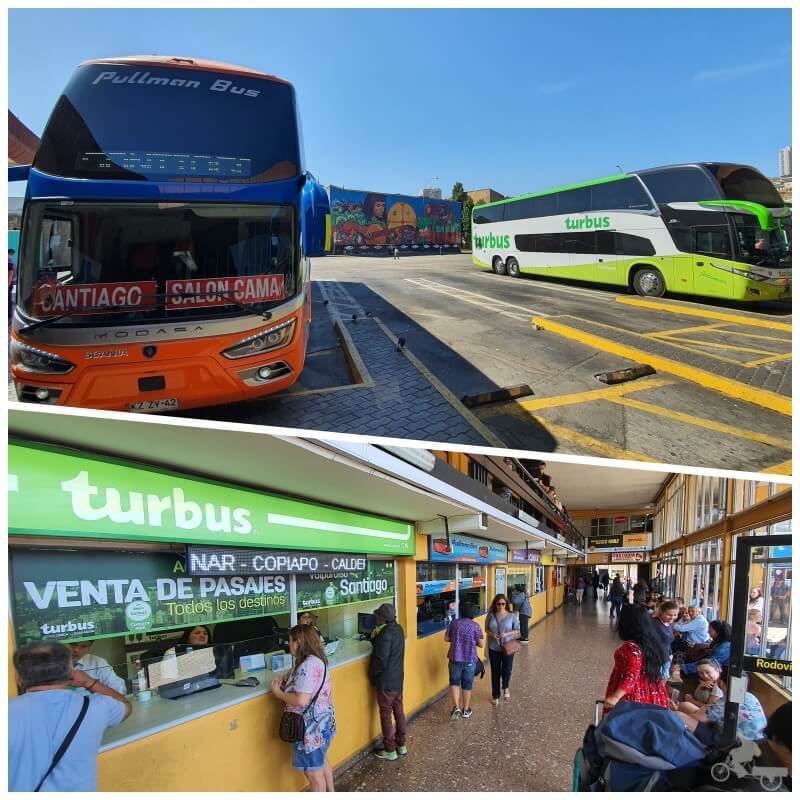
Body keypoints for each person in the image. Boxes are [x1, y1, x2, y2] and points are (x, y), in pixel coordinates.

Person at [9, 641, 131, 791]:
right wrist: (89, 682)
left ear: (18, 679)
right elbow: (125, 705)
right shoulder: (95, 707)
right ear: (70, 672)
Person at [270, 625, 336, 791]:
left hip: (310, 730)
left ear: (298, 642)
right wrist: (288, 678)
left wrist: (278, 693)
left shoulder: (307, 666)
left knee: (314, 776)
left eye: (290, 641)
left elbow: (300, 700)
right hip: (322, 724)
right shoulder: (316, 660)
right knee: (321, 763)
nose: (288, 644)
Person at [603, 605, 669, 716]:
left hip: (634, 694)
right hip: (651, 689)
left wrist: (615, 697)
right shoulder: (651, 642)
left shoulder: (631, 647)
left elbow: (632, 675)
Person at [677, 677, 767, 748]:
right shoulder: (750, 696)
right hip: (760, 740)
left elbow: (698, 717)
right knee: (685, 705)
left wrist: (676, 711)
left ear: (721, 683)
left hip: (735, 744)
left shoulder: (725, 702)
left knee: (679, 716)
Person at [368, 604, 407, 760]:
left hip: (386, 682)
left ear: (382, 618)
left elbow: (381, 660)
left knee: (386, 714)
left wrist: (373, 676)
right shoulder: (398, 629)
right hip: (397, 678)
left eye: (378, 615)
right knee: (398, 711)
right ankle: (401, 745)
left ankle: (390, 750)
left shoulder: (385, 634)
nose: (376, 617)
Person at [444, 602, 484, 720]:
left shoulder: (454, 623)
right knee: (467, 684)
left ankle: (456, 707)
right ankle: (465, 710)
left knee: (454, 682)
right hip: (469, 660)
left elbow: (446, 638)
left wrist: (456, 639)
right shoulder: (475, 626)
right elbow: (481, 644)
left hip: (455, 659)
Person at [485, 594, 521, 705]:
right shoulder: (491, 615)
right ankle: (495, 695)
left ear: (506, 604)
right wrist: (492, 634)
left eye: (503, 604)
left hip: (508, 647)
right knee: (495, 672)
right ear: (495, 604)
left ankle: (505, 686)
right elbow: (486, 629)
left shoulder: (512, 616)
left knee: (507, 669)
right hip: (493, 647)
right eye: (498, 604)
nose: (501, 606)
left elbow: (518, 631)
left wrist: (506, 634)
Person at [651, 600, 679, 679]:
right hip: (655, 658)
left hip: (666, 656)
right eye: (669, 615)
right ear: (661, 612)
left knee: (664, 677)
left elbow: (667, 643)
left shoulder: (669, 623)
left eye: (675, 615)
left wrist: (669, 654)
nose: (672, 617)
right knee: (656, 679)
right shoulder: (653, 623)